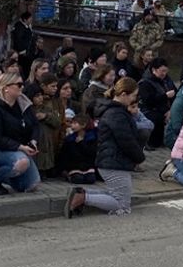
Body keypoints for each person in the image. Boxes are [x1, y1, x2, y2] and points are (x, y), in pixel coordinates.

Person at [64, 78, 145, 218]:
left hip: (112, 160)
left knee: (117, 195)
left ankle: (80, 193)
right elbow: (126, 140)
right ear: (124, 94)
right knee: (122, 205)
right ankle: (82, 198)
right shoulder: (116, 114)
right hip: (114, 162)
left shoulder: (115, 111)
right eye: (133, 95)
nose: (134, 99)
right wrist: (139, 157)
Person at [0, 72, 42, 195]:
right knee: (21, 163)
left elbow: (35, 125)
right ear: (6, 88)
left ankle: (7, 176)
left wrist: (33, 141)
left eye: (22, 84)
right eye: (18, 85)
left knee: (30, 185)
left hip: (18, 150)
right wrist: (20, 147)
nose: (22, 87)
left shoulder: (23, 104)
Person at [138, 58, 176, 149]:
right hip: (150, 111)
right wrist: (165, 96)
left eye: (166, 71)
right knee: (157, 118)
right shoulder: (146, 83)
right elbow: (148, 100)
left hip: (167, 110)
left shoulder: (167, 81)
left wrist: (171, 110)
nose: (164, 73)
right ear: (154, 70)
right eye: (162, 71)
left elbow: (175, 94)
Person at [58, 112, 98, 184]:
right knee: (78, 179)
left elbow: (91, 152)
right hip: (74, 165)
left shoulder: (91, 137)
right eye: (72, 123)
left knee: (90, 179)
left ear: (83, 125)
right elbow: (65, 154)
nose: (72, 125)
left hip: (87, 165)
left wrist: (82, 143)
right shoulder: (70, 139)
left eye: (75, 123)